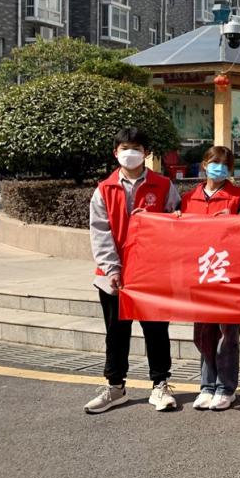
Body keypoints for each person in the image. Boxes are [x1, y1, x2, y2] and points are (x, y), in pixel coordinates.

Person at [84, 127, 181, 414]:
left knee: (156, 331)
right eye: (125, 148)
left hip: (152, 275)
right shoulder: (104, 189)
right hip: (113, 278)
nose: (130, 153)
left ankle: (160, 385)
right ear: (115, 153)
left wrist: (161, 221)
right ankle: (115, 387)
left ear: (146, 153)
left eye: (136, 148)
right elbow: (99, 232)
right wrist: (112, 269)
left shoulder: (163, 185)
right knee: (116, 333)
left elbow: (177, 224)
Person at [179, 146, 240, 412]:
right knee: (203, 332)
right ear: (204, 165)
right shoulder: (189, 198)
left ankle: (225, 387)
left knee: (227, 333)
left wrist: (235, 219)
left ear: (230, 169)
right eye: (213, 162)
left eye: (224, 164)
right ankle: (207, 385)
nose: (218, 168)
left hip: (230, 274)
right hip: (200, 274)